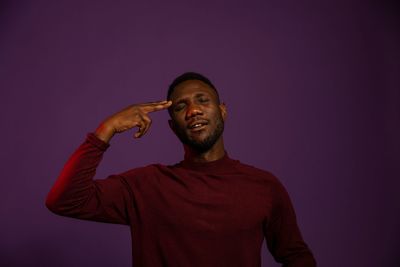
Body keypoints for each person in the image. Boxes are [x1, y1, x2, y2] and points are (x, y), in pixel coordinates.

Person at [46, 72, 316, 267]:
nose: (194, 110)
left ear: (222, 112)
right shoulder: (147, 185)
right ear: (173, 126)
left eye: (203, 100)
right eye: (180, 106)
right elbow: (65, 200)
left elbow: (297, 257)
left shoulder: (264, 187)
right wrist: (106, 129)